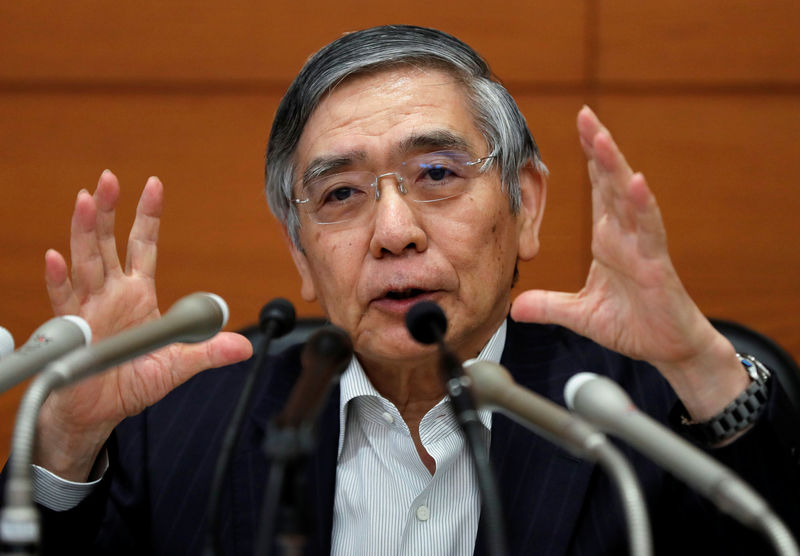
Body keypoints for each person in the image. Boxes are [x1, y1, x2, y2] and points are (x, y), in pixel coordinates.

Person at [9, 25, 799, 555]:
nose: (393, 231)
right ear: (301, 252)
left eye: (436, 175)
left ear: (525, 204)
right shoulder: (185, 420)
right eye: (342, 194)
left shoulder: (642, 408)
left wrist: (700, 368)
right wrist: (67, 446)